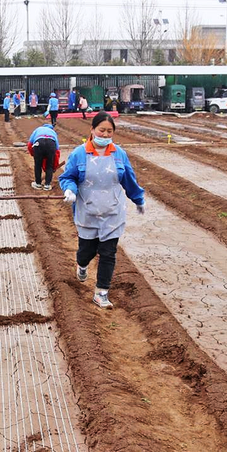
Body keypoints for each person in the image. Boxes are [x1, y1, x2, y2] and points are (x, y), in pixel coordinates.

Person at [58, 112, 145, 309]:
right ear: (92, 130)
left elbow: (128, 179)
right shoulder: (80, 153)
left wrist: (138, 199)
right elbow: (67, 177)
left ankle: (101, 292)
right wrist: (70, 190)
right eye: (102, 130)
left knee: (108, 253)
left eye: (109, 132)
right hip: (87, 211)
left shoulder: (119, 154)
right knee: (86, 252)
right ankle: (81, 264)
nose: (105, 135)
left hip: (113, 212)